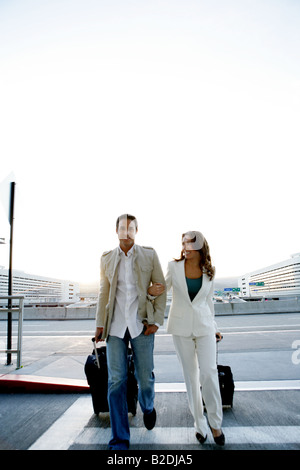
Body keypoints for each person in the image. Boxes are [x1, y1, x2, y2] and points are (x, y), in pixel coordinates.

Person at [94, 214, 166, 450]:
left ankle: (147, 405)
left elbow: (161, 289)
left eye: (131, 228)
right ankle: (119, 439)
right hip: (115, 327)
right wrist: (99, 325)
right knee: (116, 382)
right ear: (116, 231)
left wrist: (155, 321)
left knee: (145, 378)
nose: (127, 231)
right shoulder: (106, 258)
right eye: (123, 227)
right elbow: (104, 293)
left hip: (141, 324)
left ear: (137, 231)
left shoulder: (149, 254)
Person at [162, 231, 225, 446]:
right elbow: (162, 290)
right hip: (180, 327)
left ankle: (216, 424)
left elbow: (209, 302)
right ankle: (200, 425)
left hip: (204, 325)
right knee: (191, 378)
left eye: (189, 243)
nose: (185, 247)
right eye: (183, 243)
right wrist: (151, 293)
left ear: (199, 246)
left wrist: (214, 327)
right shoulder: (173, 267)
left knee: (209, 373)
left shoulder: (210, 270)